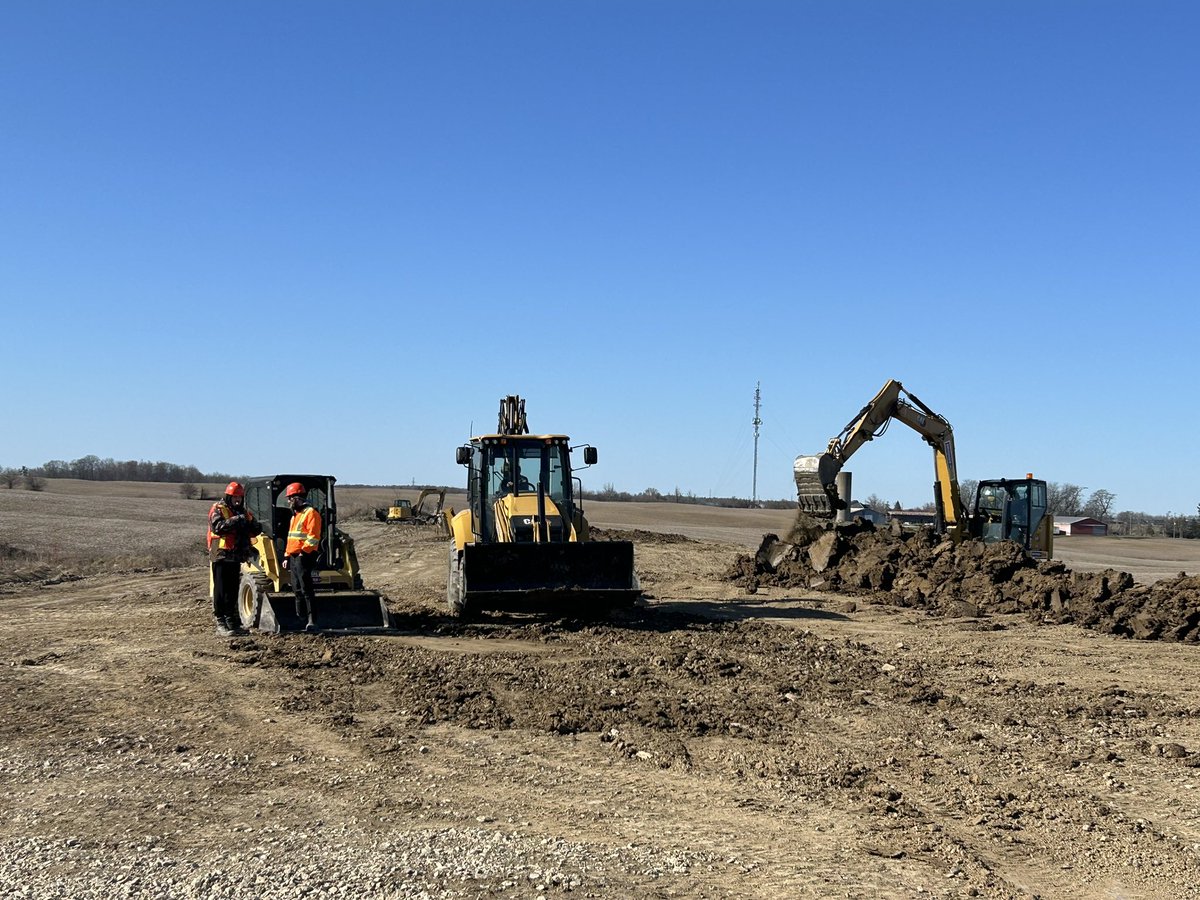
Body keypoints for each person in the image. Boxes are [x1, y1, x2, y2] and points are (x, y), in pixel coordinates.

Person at [207, 481, 262, 637]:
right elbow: (218, 527)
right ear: (228, 497)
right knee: (220, 590)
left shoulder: (243, 512)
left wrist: (249, 522)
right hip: (221, 555)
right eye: (235, 497)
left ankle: (232, 622)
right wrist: (237, 520)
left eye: (240, 497)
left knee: (232, 591)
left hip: (235, 557)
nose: (237, 500)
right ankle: (220, 622)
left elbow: (256, 529)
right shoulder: (218, 509)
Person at [284, 482, 322, 632]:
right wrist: (287, 556)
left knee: (306, 589)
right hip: (294, 556)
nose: (288, 501)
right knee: (297, 588)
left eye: (290, 498)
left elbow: (313, 537)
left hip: (304, 556)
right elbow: (291, 538)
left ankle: (312, 620)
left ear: (297, 498)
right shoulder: (295, 516)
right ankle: (301, 618)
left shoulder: (311, 513)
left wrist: (303, 552)